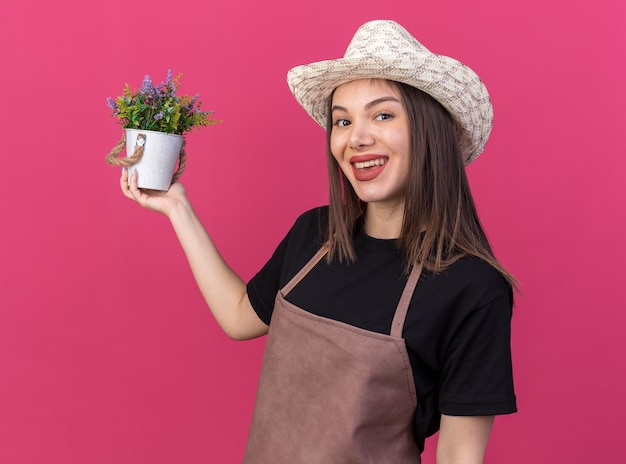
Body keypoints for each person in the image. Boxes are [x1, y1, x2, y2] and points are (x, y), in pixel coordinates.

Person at [120, 19, 516, 464]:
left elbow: (460, 457)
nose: (356, 138)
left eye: (383, 115)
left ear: (430, 130)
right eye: (342, 121)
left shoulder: (473, 288)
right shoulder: (315, 234)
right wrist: (178, 208)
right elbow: (238, 318)